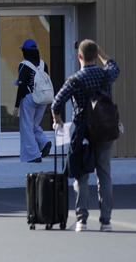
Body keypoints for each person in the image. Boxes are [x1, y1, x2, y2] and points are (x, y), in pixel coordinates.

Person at [51, 39, 120, 232]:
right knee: (104, 174)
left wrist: (58, 120)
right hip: (106, 131)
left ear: (79, 56)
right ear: (95, 54)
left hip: (83, 132)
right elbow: (114, 66)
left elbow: (56, 104)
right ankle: (106, 221)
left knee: (81, 174)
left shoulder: (75, 80)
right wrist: (101, 53)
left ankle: (81, 220)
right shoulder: (106, 76)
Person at [14, 39, 52, 163]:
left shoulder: (24, 65)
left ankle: (33, 155)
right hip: (43, 98)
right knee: (34, 125)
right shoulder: (43, 64)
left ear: (25, 51)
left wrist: (16, 105)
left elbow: (22, 86)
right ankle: (44, 142)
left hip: (29, 98)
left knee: (26, 127)